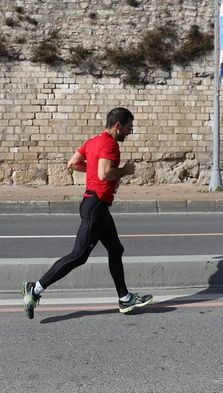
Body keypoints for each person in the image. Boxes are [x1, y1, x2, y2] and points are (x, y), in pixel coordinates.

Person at [22, 107, 153, 319]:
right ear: (117, 125)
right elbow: (104, 174)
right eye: (128, 128)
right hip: (96, 206)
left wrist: (95, 168)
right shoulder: (110, 144)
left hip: (95, 204)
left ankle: (124, 298)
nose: (130, 132)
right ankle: (35, 289)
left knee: (116, 249)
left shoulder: (93, 142)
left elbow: (72, 163)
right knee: (79, 256)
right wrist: (125, 171)